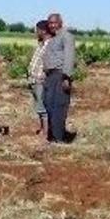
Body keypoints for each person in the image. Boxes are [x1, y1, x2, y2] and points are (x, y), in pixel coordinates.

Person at [42, 12, 76, 143]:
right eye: (50, 23)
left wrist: (66, 77)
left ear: (60, 23)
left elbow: (69, 57)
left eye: (54, 22)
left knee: (59, 107)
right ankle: (53, 135)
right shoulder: (53, 38)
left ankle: (58, 138)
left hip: (60, 75)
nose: (52, 25)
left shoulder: (66, 36)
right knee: (49, 104)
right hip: (51, 76)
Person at [28, 19, 51, 137]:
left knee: (43, 108)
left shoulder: (49, 45)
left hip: (40, 80)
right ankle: (42, 129)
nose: (36, 32)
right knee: (39, 106)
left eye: (37, 30)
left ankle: (46, 133)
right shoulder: (41, 44)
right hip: (34, 79)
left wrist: (44, 76)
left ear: (43, 31)